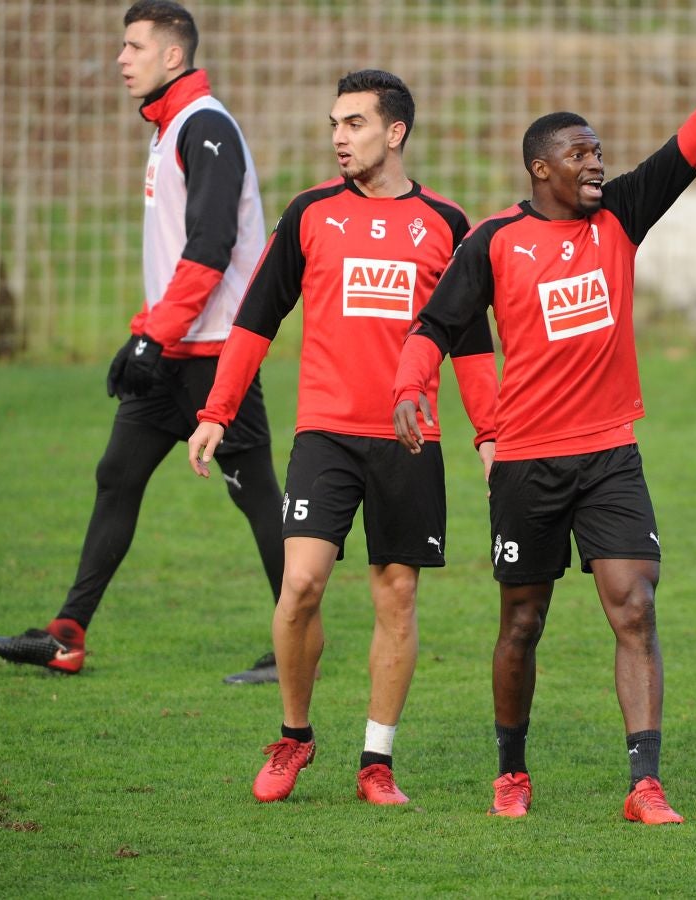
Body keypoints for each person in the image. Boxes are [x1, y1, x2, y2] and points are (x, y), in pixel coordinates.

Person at [392, 6, 696, 824]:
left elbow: (692, 145)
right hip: (526, 461)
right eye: (579, 154)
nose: (595, 163)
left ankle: (643, 784)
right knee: (523, 620)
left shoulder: (619, 215)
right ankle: (511, 770)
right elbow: (436, 324)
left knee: (635, 604)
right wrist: (410, 390)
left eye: (598, 152)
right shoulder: (494, 241)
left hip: (610, 452)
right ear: (541, 169)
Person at [188, 69, 497, 805]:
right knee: (300, 585)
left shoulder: (447, 225)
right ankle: (294, 737)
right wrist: (216, 410)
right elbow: (257, 317)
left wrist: (491, 438)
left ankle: (375, 761)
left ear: (395, 133)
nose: (338, 138)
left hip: (410, 438)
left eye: (354, 124)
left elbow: (472, 346)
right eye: (334, 123)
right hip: (324, 431)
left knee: (396, 596)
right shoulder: (309, 215)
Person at [0, 0, 285, 685]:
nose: (121, 59)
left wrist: (158, 337)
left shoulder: (205, 126)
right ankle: (67, 634)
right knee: (116, 477)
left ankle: (297, 645)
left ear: (172, 56)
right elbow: (176, 251)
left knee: (255, 492)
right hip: (174, 347)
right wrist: (144, 333)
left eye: (133, 46)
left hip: (214, 357)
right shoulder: (170, 125)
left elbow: (211, 247)